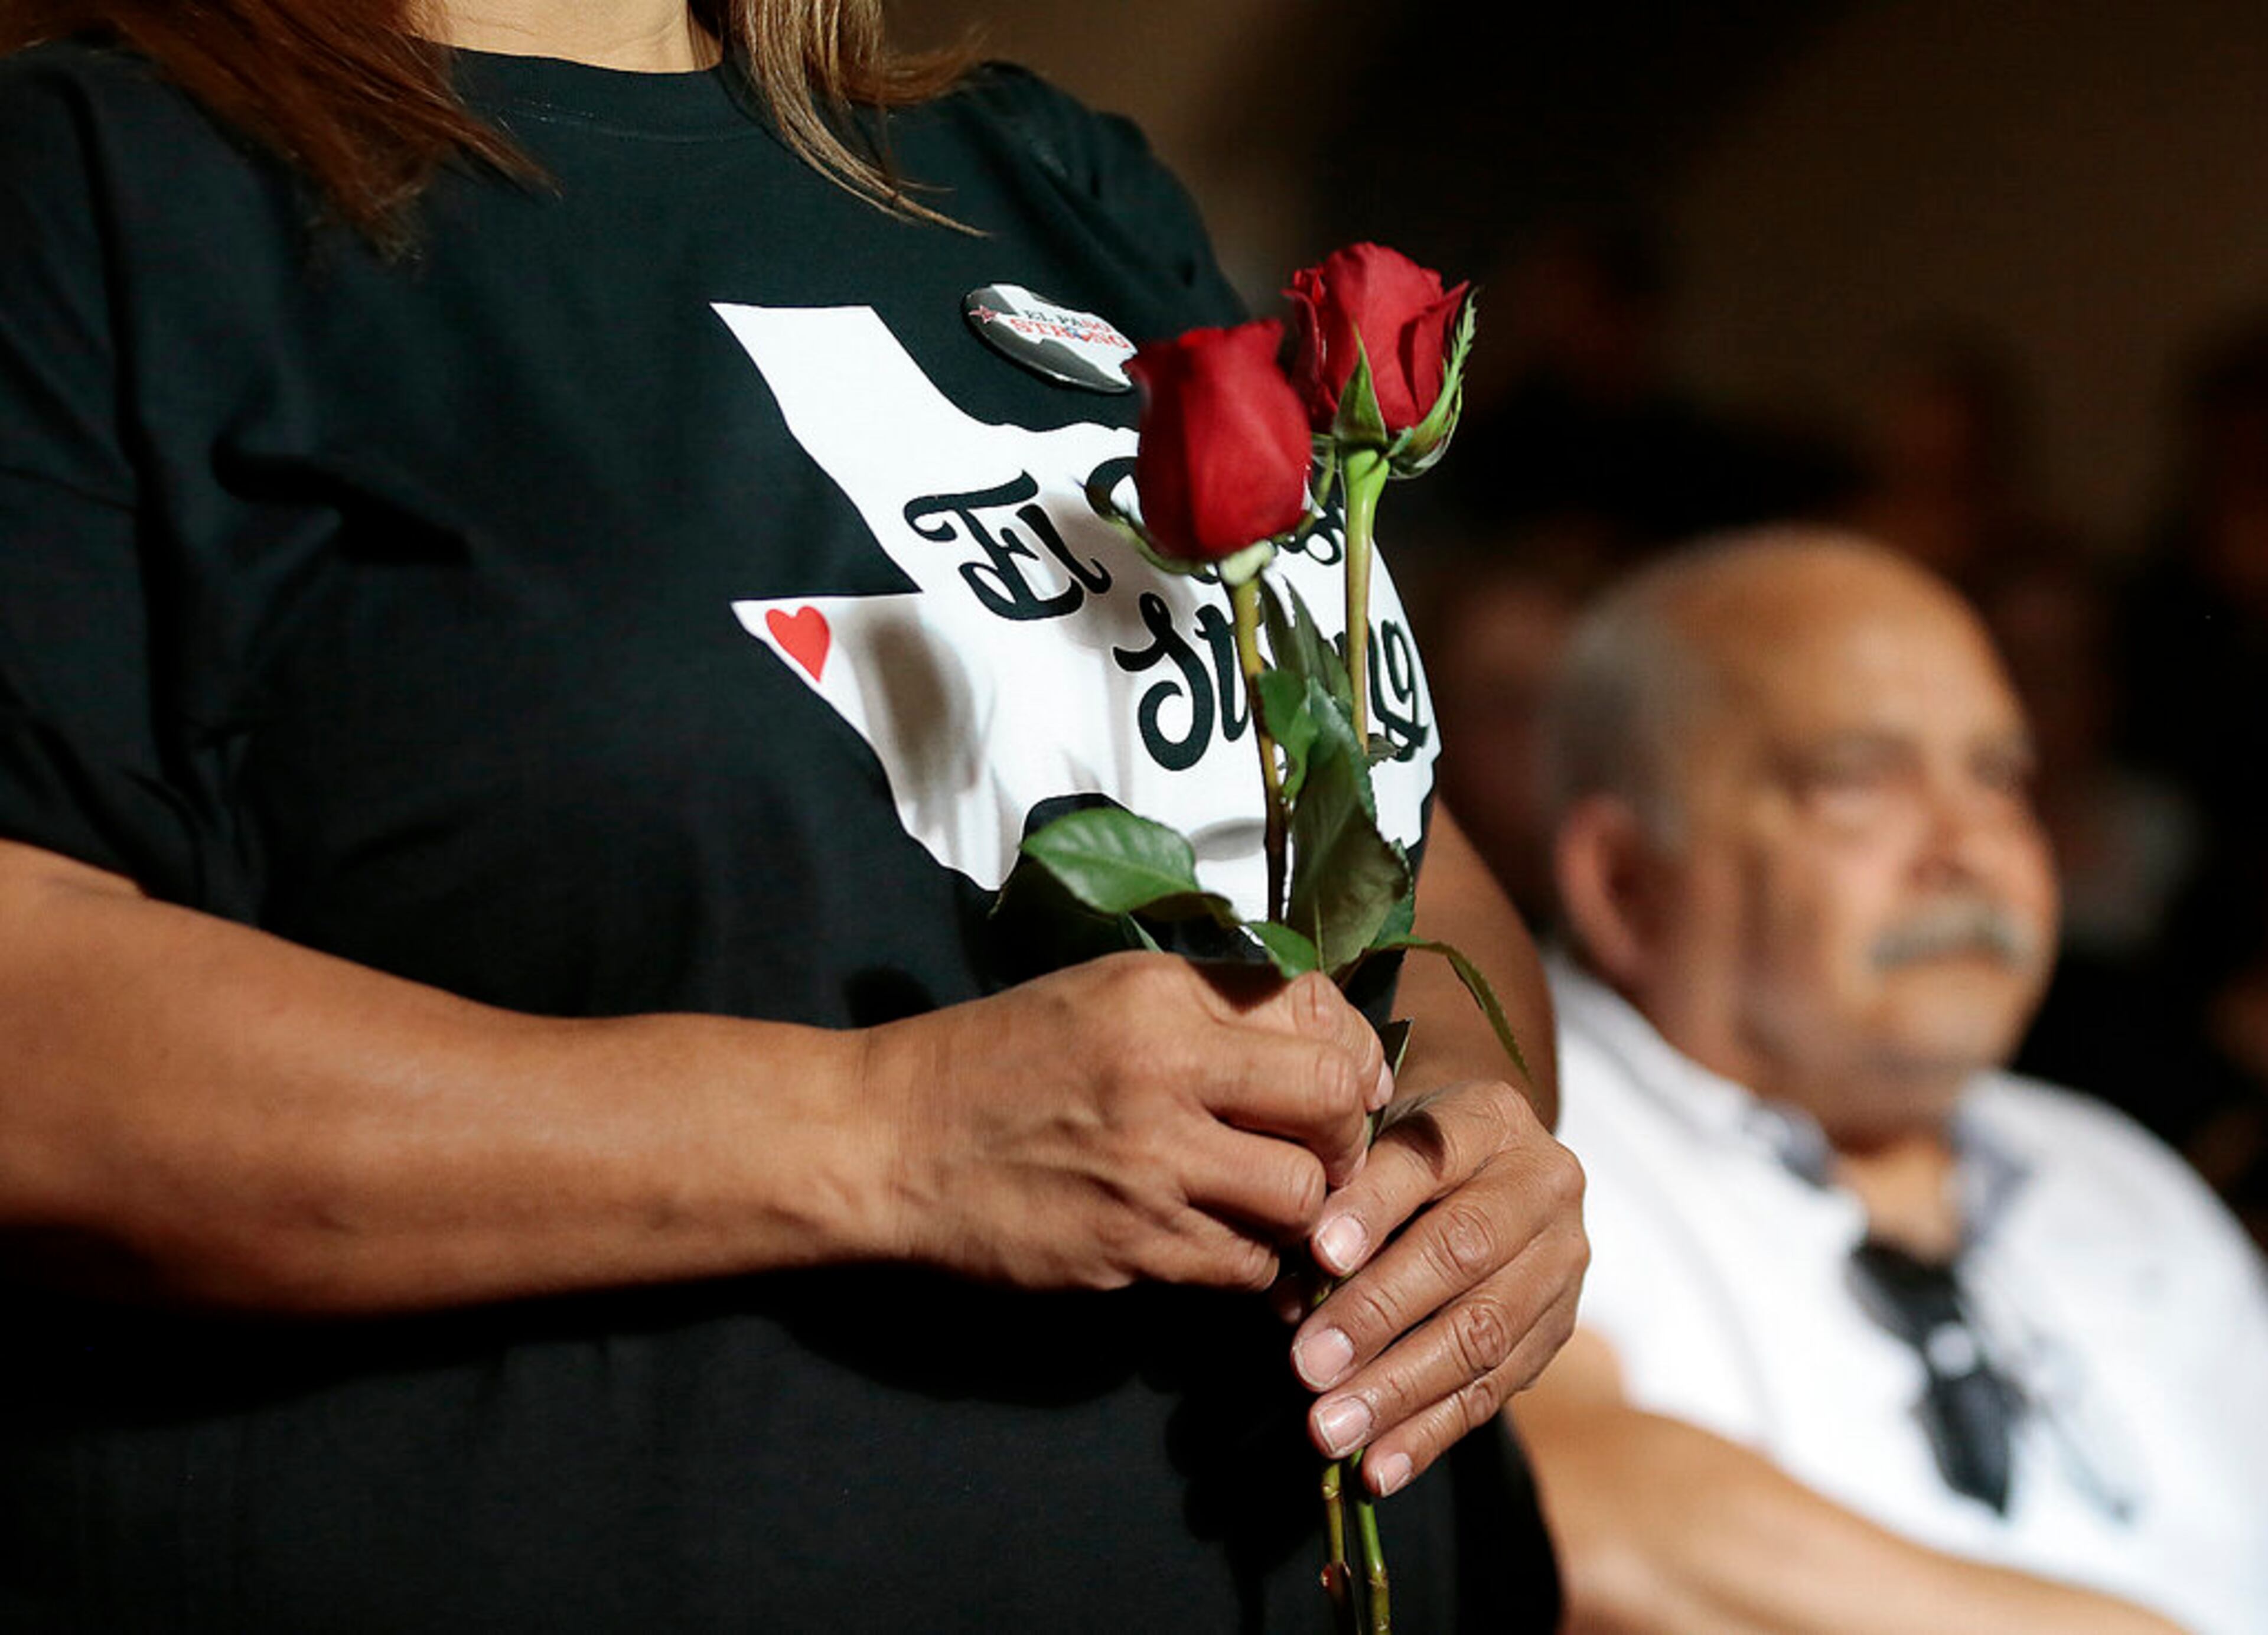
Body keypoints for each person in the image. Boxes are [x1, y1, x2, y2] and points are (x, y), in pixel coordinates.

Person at [0, 1, 1587, 1628]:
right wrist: (878, 1135)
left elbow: (1411, 849)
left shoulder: (1047, 173)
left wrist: (1471, 1141)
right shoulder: (95, 180)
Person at [1511, 530, 2268, 1634]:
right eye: (1857, 781)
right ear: (1624, 882)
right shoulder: (1520, 1124)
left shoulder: (2127, 1181)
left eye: (1999, 775)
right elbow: (1555, 1502)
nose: (1970, 846)